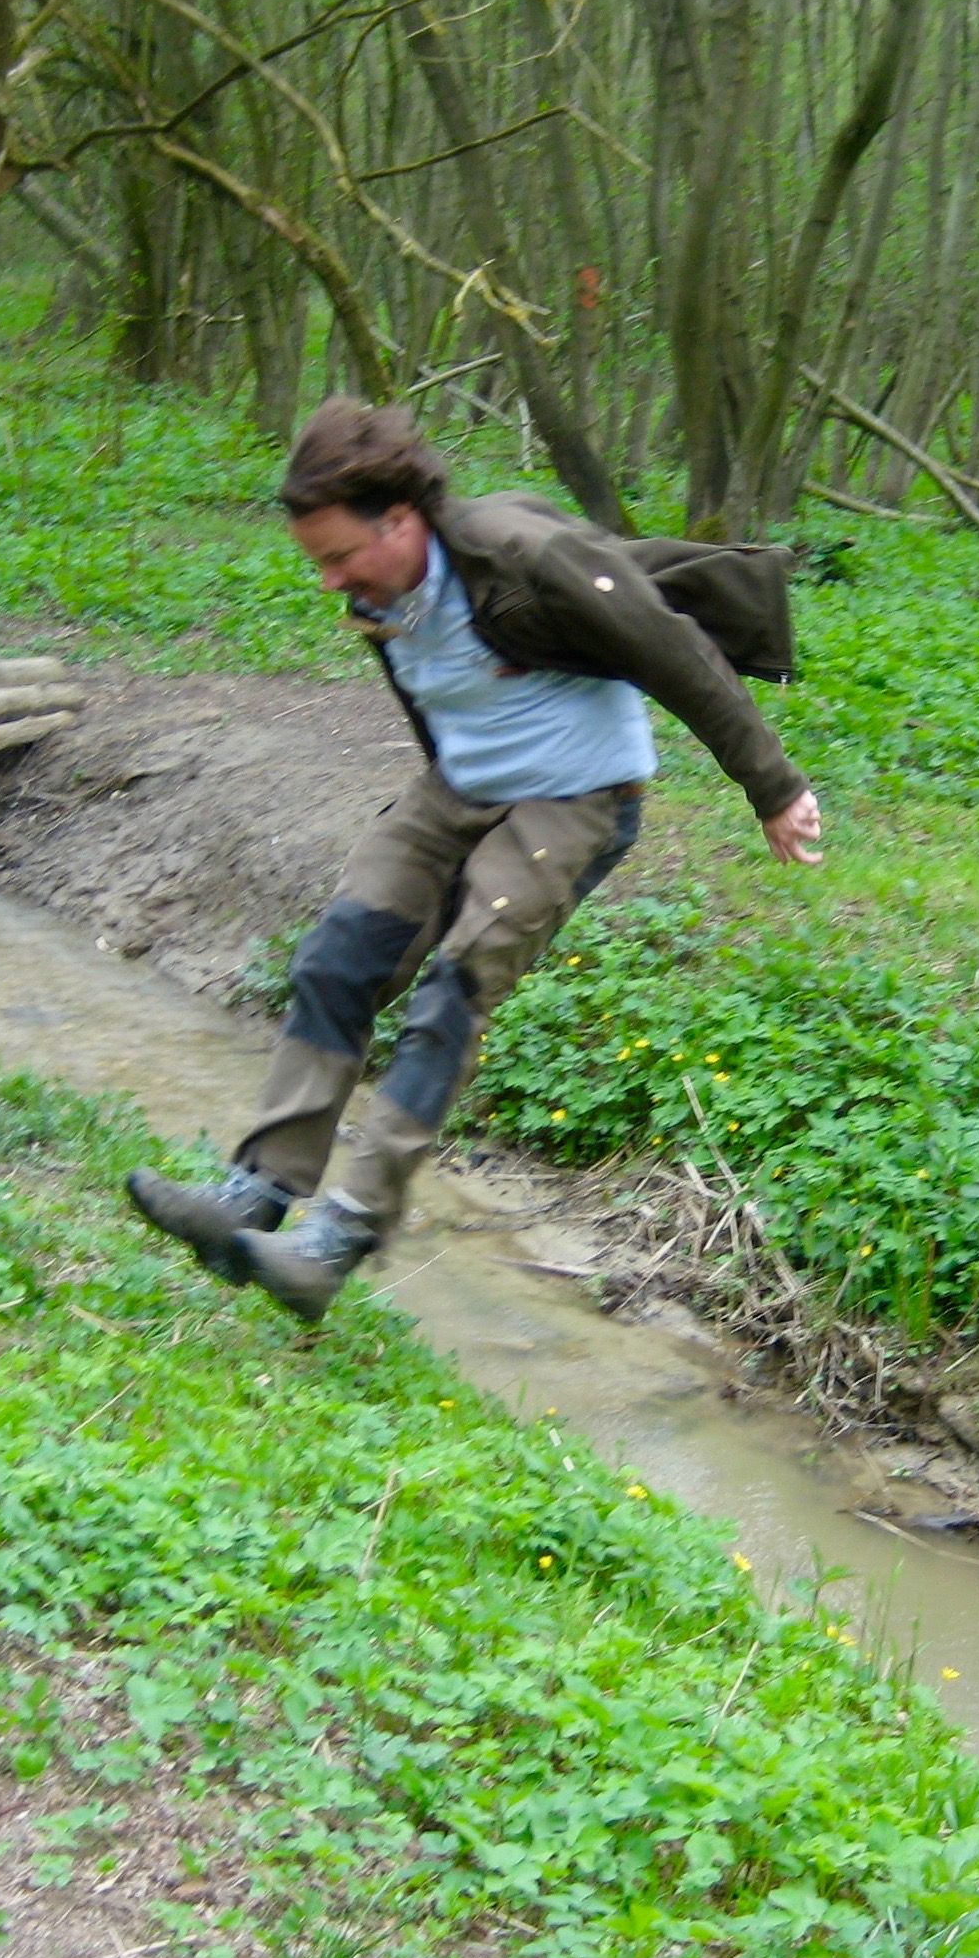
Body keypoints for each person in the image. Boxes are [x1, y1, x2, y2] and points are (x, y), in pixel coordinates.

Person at [126, 397, 824, 1322]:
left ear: (400, 520)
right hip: (458, 790)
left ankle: (333, 1245)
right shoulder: (379, 592)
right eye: (318, 563)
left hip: (575, 798)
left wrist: (773, 788)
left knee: (453, 989)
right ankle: (254, 1195)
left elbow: (676, 649)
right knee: (338, 959)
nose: (330, 582)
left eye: (339, 556)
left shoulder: (522, 558)